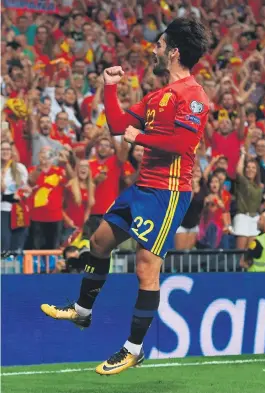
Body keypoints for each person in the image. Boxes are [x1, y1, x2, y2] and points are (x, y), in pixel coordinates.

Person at [41, 17, 209, 375]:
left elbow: (183, 144)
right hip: (141, 187)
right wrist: (109, 88)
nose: (154, 48)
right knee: (99, 242)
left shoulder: (193, 95)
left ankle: (133, 348)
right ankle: (82, 312)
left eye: (160, 44)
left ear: (174, 51)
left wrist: (140, 138)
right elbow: (118, 126)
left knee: (146, 268)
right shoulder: (157, 96)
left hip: (167, 193)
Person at [1, 141, 29, 253]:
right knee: (4, 241)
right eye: (2, 149)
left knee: (17, 244)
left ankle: (16, 268)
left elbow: (23, 188)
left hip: (18, 210)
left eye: (7, 149)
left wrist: (10, 194)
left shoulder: (19, 168)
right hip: (2, 210)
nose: (5, 152)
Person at [233, 148, 263, 249]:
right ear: (245, 169)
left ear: (256, 171)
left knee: (251, 252)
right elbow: (238, 171)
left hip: (255, 218)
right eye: (248, 167)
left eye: (253, 168)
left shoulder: (259, 187)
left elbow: (258, 206)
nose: (250, 169)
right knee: (240, 251)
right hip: (242, 217)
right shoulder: (242, 181)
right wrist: (242, 155)